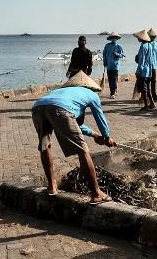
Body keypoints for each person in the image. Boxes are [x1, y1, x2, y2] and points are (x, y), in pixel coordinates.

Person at [31, 71, 116, 204]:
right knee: (83, 150)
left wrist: (95, 135)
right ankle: (96, 193)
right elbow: (100, 118)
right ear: (90, 86)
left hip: (38, 107)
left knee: (45, 146)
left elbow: (72, 124)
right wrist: (106, 137)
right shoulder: (91, 94)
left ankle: (52, 187)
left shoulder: (65, 93)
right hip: (60, 109)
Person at [134, 30, 155, 110]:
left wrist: (138, 71)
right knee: (148, 89)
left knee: (143, 89)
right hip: (149, 70)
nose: (138, 39)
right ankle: (152, 103)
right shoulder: (149, 45)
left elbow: (141, 61)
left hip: (143, 71)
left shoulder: (143, 46)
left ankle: (146, 105)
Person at [102, 32, 125, 98]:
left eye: (114, 38)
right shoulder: (107, 46)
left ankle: (113, 93)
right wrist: (104, 61)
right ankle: (112, 91)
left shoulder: (119, 47)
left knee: (114, 79)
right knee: (110, 79)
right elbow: (104, 54)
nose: (113, 39)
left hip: (115, 65)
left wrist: (117, 54)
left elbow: (122, 55)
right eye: (112, 38)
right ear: (110, 39)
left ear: (117, 38)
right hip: (108, 65)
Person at [147, 28, 157, 101]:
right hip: (148, 65)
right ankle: (148, 96)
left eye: (154, 36)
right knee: (148, 82)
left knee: (154, 81)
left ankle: (154, 95)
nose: (153, 37)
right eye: (151, 36)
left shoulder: (156, 44)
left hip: (154, 65)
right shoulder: (146, 44)